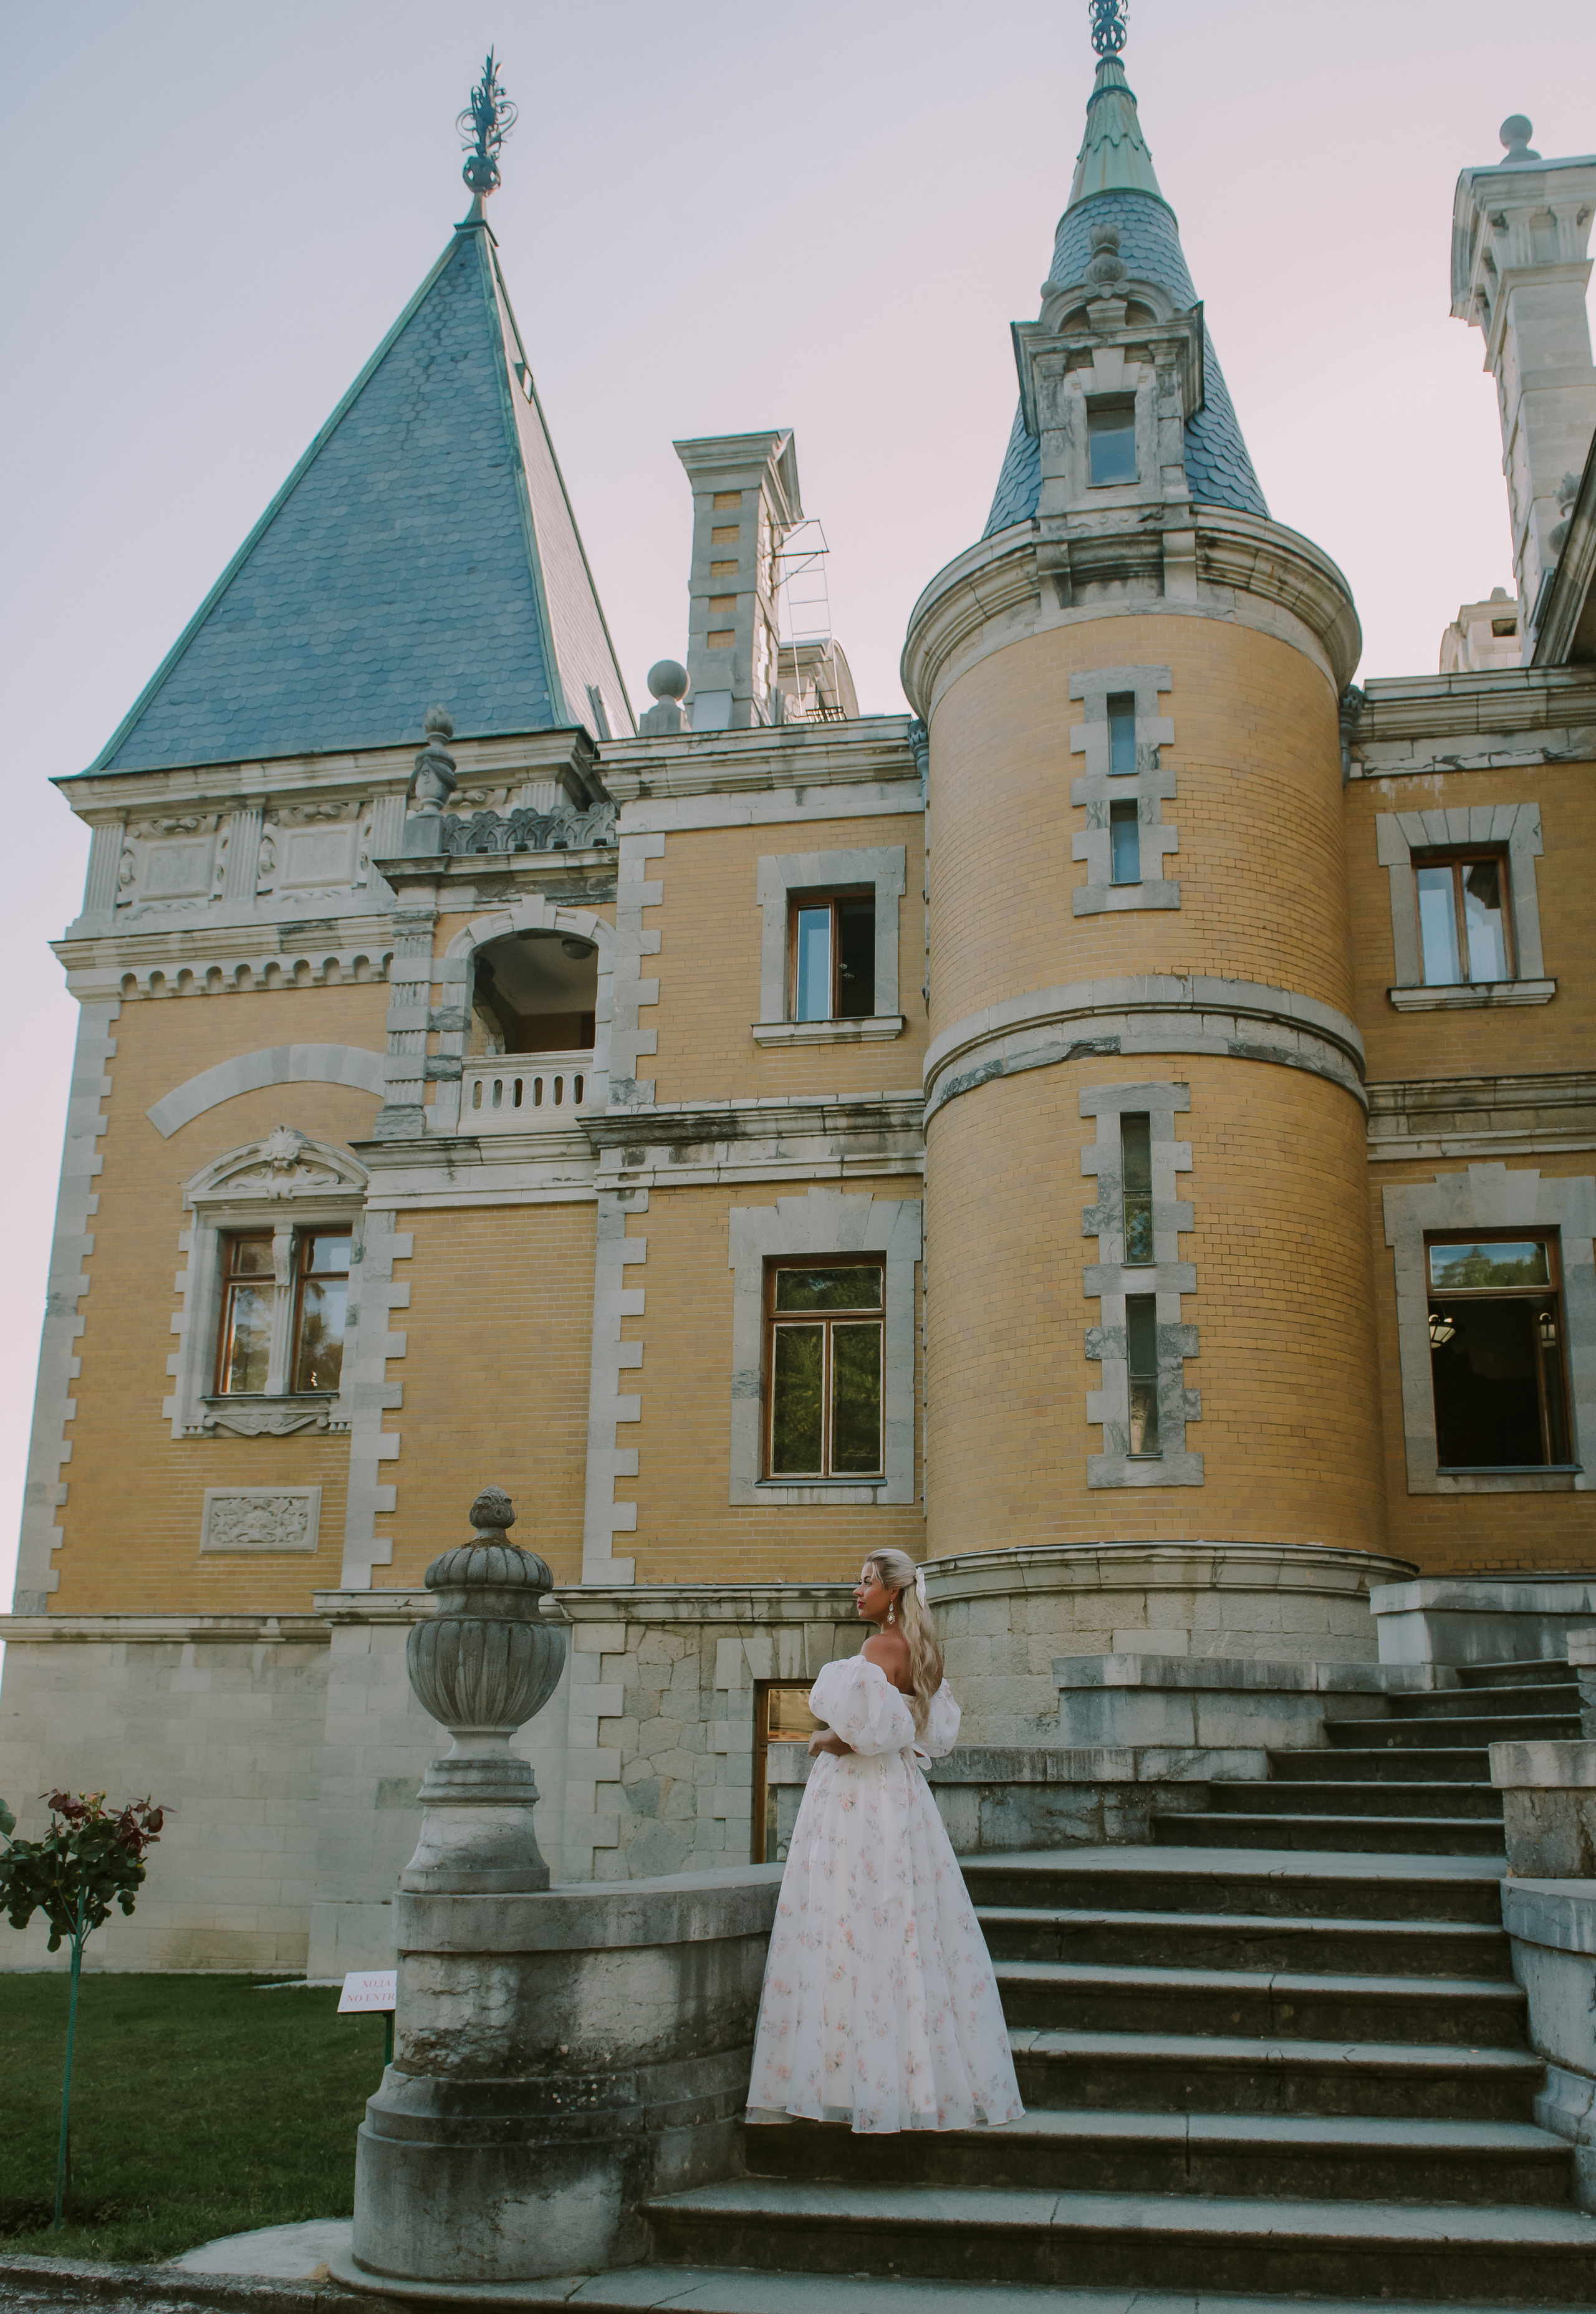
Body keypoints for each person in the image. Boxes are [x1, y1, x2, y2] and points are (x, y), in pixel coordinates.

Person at [746, 1548, 1024, 2134]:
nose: (857, 1590)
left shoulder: (877, 1650)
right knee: (907, 1923)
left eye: (866, 1582)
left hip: (858, 1798)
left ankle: (852, 2083)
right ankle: (917, 2083)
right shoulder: (925, 1652)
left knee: (850, 1918)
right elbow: (917, 1731)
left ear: (892, 1592)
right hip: (900, 1798)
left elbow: (856, 1738)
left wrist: (820, 1738)